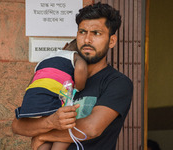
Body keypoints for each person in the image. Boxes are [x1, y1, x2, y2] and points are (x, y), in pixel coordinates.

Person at [12, 2, 133, 150]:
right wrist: (51, 122)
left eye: (96, 33)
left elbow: (91, 128)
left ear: (111, 41)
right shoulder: (57, 75)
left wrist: (43, 135)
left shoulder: (117, 83)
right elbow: (18, 125)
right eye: (82, 32)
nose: (87, 40)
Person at [14, 39, 88, 150]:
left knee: (48, 128)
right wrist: (80, 86)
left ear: (65, 45)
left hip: (34, 95)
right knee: (63, 127)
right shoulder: (75, 56)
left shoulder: (45, 58)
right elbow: (81, 68)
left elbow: (34, 78)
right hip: (53, 95)